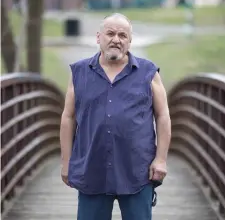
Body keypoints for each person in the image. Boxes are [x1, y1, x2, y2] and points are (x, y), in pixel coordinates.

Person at [60, 13, 171, 220]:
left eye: (123, 35)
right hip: (92, 169)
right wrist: (66, 162)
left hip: (137, 170)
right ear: (98, 37)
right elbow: (68, 117)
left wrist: (161, 159)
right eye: (110, 33)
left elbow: (163, 115)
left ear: (129, 41)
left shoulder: (148, 72)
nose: (116, 39)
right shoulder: (79, 72)